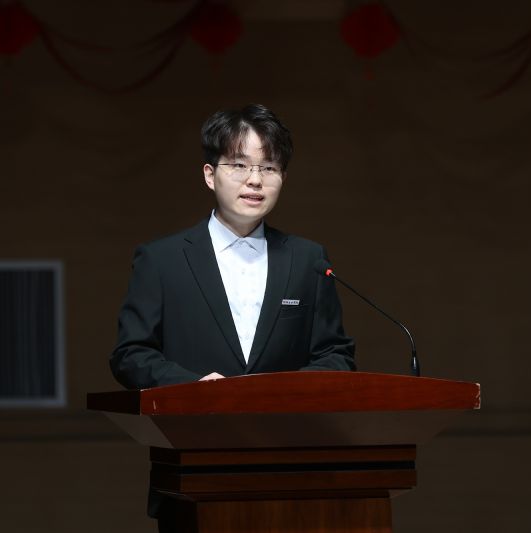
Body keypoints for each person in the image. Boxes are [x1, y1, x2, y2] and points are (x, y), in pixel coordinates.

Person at [109, 104, 356, 530]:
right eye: (239, 165)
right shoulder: (162, 260)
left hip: (294, 472)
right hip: (193, 470)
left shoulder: (308, 260)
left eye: (269, 167)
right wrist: (193, 388)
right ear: (210, 175)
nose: (255, 180)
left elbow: (336, 354)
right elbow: (130, 354)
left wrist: (285, 393)